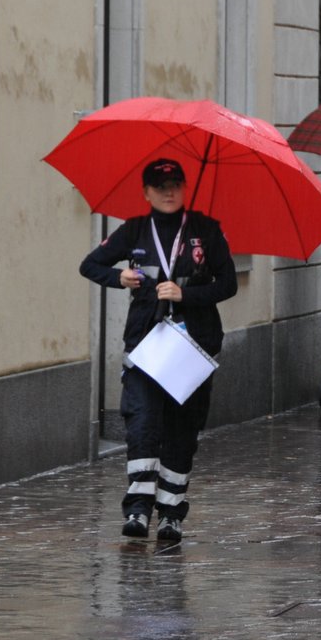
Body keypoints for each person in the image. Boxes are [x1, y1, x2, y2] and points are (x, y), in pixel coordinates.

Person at [79, 158, 238, 541]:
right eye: (159, 186)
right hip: (147, 344)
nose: (168, 192)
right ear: (146, 192)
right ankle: (137, 510)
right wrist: (119, 277)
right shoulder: (134, 230)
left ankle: (171, 513)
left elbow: (228, 284)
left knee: (183, 429)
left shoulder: (205, 231)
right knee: (143, 423)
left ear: (184, 189)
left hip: (192, 346)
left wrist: (187, 293)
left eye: (175, 185)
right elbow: (90, 265)